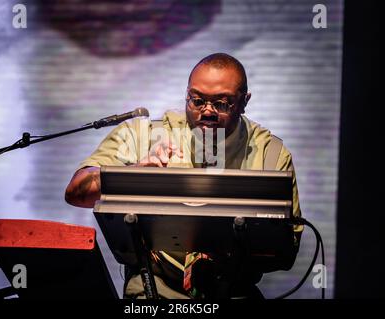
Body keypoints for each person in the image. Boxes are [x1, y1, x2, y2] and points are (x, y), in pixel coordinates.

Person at [65, 53, 303, 299]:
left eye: (222, 103)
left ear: (244, 101)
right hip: (155, 290)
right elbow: (76, 191)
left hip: (233, 292)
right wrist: (132, 175)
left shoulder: (270, 154)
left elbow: (286, 254)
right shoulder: (144, 136)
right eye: (197, 101)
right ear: (187, 94)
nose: (207, 111)